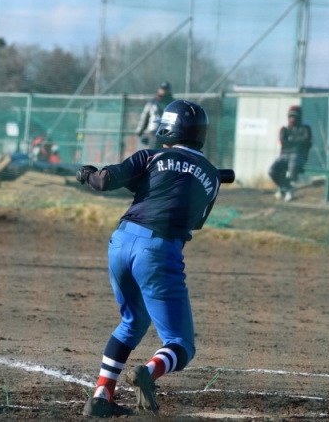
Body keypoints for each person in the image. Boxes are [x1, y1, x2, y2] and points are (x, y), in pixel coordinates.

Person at [76, 100, 222, 417]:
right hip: (158, 250)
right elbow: (193, 219)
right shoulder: (212, 176)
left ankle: (102, 395)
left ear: (166, 129)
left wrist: (87, 174)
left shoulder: (150, 157)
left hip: (121, 242)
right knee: (181, 343)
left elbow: (104, 180)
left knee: (133, 321)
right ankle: (149, 371)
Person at [268, 105, 312, 201]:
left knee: (292, 171)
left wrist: (291, 140)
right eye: (291, 116)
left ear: (299, 116)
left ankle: (287, 190)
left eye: (295, 116)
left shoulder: (305, 127)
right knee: (272, 171)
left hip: (299, 155)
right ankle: (288, 188)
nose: (292, 118)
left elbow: (305, 141)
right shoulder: (285, 127)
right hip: (284, 155)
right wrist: (296, 142)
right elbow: (282, 141)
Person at [135, 81, 174, 149]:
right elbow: (145, 118)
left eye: (166, 89)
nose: (164, 91)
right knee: (153, 150)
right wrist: (139, 131)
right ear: (159, 89)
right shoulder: (152, 103)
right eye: (162, 89)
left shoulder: (172, 103)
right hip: (154, 131)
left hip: (168, 131)